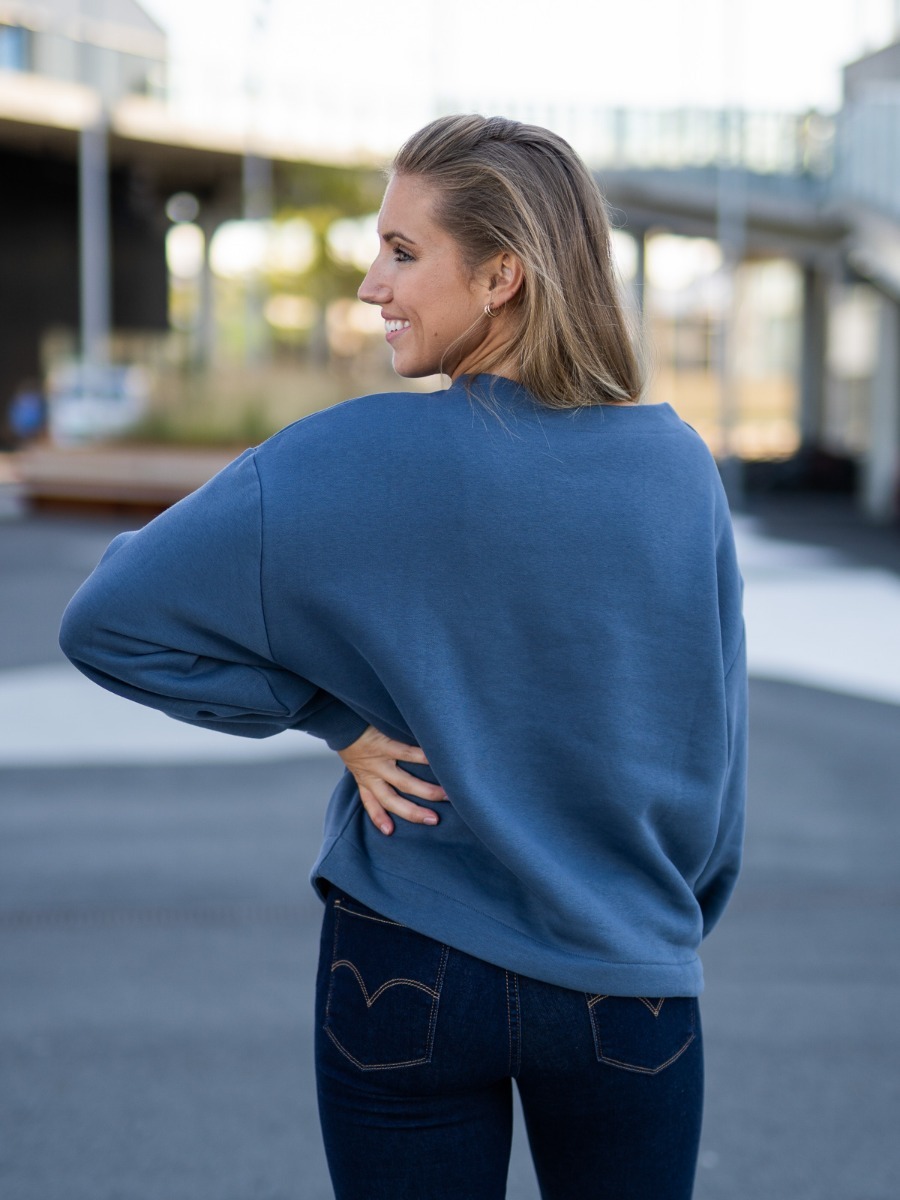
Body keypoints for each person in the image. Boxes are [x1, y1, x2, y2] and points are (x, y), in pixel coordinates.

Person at [60, 114, 747, 1200]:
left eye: (404, 252)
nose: (372, 286)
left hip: (408, 967)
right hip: (627, 973)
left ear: (502, 276)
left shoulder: (341, 455)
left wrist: (331, 720)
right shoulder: (676, 468)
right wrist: (658, 923)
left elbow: (107, 619)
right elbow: (715, 755)